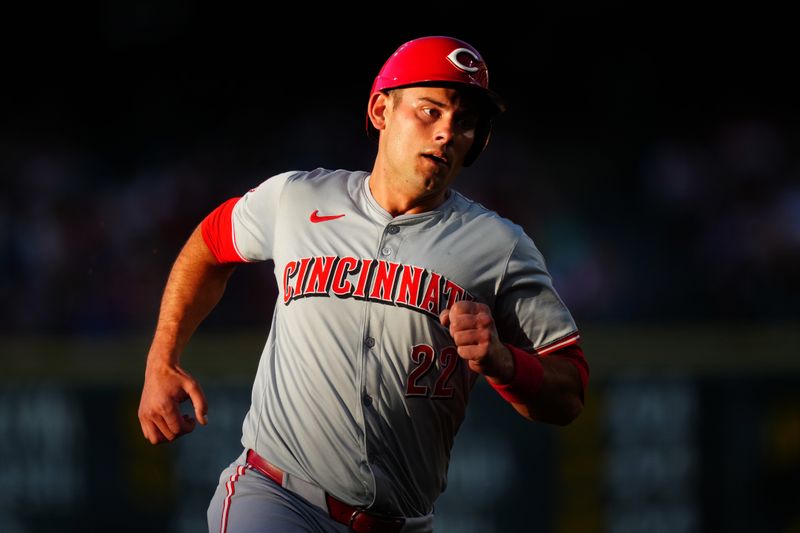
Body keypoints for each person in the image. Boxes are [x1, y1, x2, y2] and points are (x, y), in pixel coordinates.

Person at [138, 35, 589, 533]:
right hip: (276, 498)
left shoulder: (499, 247)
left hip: (402, 523)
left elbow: (569, 393)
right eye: (429, 110)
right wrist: (163, 359)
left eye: (464, 122)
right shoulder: (296, 198)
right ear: (381, 110)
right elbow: (208, 245)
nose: (446, 133)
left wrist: (505, 363)